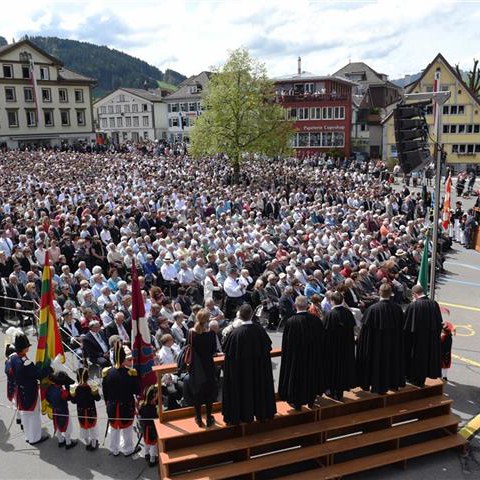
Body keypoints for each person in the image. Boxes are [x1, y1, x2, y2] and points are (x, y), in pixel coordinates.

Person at [222, 304, 276, 425]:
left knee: (242, 393)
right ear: (251, 315)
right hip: (258, 373)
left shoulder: (235, 334)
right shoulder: (260, 331)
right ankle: (262, 413)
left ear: (239, 316)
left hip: (241, 376)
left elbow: (228, 356)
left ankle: (240, 416)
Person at [356, 284, 405, 394]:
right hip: (393, 346)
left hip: (375, 347)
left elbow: (364, 333)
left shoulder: (372, 309)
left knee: (377, 366)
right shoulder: (397, 309)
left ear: (379, 292)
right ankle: (392, 383)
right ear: (391, 293)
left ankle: (375, 384)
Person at [278, 295, 324, 410]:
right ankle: (311, 399)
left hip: (296, 358)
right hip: (312, 357)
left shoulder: (291, 322)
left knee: (297, 379)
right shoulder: (315, 320)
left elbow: (286, 344)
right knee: (311, 377)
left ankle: (297, 402)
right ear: (307, 305)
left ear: (295, 306)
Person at [7, 332, 49, 444]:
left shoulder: (12, 358)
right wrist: (49, 368)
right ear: (24, 348)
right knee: (33, 416)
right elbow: (38, 374)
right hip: (30, 391)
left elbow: (8, 371)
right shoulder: (26, 362)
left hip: (20, 391)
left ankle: (28, 436)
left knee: (25, 416)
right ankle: (35, 438)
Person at [102, 343, 140, 456]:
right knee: (127, 428)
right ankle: (128, 450)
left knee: (114, 428)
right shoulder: (131, 373)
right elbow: (136, 391)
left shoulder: (107, 372)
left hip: (112, 405)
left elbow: (105, 392)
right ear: (124, 359)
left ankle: (114, 449)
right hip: (126, 405)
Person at [404, 285, 443, 387]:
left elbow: (407, 326)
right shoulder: (434, 304)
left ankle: (415, 379)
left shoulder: (413, 306)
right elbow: (439, 323)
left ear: (414, 294)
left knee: (417, 360)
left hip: (417, 340)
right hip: (431, 340)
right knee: (428, 359)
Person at [322, 291, 356, 401]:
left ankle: (333, 390)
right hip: (345, 348)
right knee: (342, 369)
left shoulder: (330, 315)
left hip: (333, 350)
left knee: (332, 370)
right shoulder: (348, 313)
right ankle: (340, 391)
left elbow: (325, 333)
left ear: (332, 301)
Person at [187, 308, 218, 428]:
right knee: (209, 393)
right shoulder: (211, 334)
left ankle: (198, 418)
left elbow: (187, 347)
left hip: (195, 367)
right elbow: (213, 351)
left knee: (197, 393)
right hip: (208, 366)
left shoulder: (190, 333)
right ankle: (209, 417)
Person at [69, 367, 101, 451]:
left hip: (81, 412)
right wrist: (96, 391)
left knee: (83, 428)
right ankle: (93, 445)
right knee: (93, 428)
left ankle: (87, 443)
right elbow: (98, 399)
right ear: (87, 377)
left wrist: (72, 394)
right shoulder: (91, 387)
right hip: (91, 411)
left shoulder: (75, 388)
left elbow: (73, 401)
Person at [46, 369, 78, 449]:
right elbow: (69, 397)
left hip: (55, 410)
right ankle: (68, 442)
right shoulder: (62, 392)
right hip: (63, 411)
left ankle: (60, 441)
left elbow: (48, 399)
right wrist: (67, 386)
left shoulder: (50, 388)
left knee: (57, 426)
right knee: (67, 426)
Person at [138, 384, 159, 467]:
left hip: (145, 427)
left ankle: (147, 454)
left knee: (147, 443)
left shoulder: (142, 405)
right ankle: (152, 460)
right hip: (151, 429)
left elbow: (140, 414)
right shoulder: (153, 409)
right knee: (153, 444)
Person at [440, 317, 455, 381]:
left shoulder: (443, 337)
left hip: (442, 353)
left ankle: (441, 376)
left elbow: (440, 343)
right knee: (446, 366)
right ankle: (445, 376)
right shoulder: (450, 337)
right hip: (448, 353)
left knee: (442, 365)